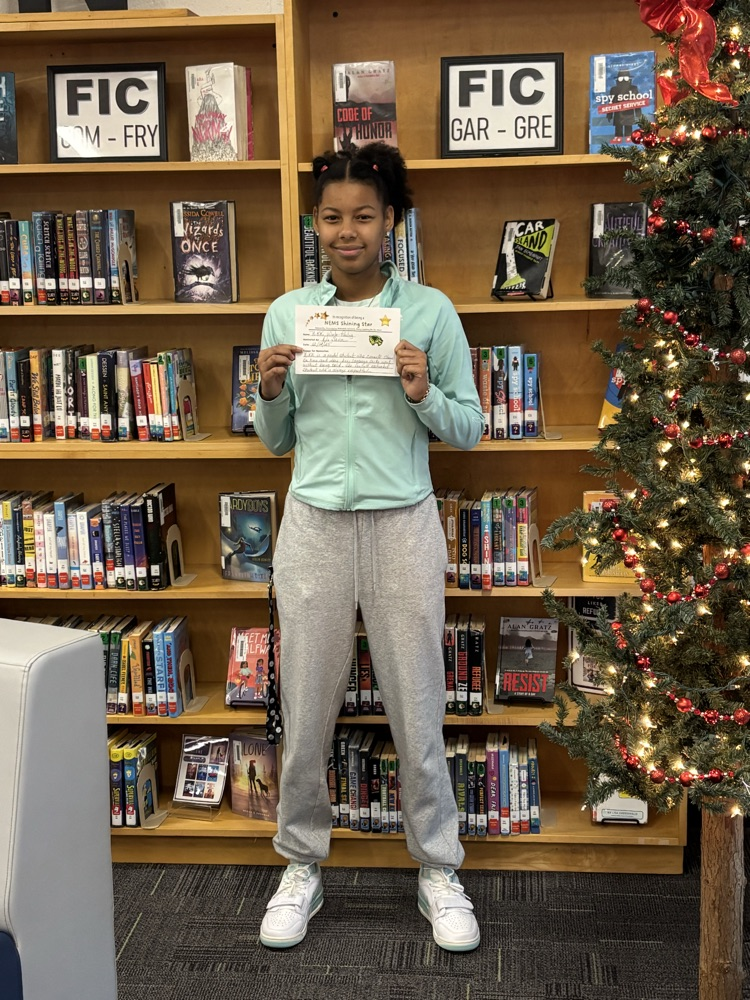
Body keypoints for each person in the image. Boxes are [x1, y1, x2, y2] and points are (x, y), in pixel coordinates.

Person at [254, 141, 484, 953]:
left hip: (402, 526)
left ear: (391, 222)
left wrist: (423, 394)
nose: (345, 231)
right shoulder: (289, 313)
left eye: (362, 216)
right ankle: (301, 865)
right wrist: (268, 394)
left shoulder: (430, 312)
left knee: (417, 705)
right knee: (308, 708)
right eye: (330, 217)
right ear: (316, 224)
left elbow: (471, 426)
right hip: (313, 526)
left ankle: (438, 869)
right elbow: (278, 443)